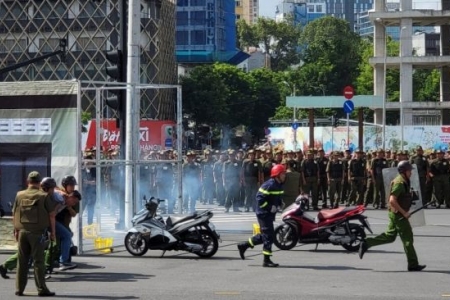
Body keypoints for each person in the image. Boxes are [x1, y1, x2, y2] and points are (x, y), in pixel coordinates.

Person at [358, 161, 426, 272]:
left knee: (390, 236)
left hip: (395, 213)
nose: (411, 173)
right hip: (398, 214)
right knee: (407, 238)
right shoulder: (400, 183)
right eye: (409, 171)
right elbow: (392, 200)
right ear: (403, 171)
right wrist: (404, 213)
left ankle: (366, 243)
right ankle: (413, 264)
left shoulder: (404, 181)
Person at [13, 171, 57, 296]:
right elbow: (52, 215)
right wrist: (53, 233)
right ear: (39, 183)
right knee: (39, 262)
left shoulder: (19, 195)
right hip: (37, 233)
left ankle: (19, 289)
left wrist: (16, 230)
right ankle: (42, 289)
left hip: (22, 232)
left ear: (28, 181)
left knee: (22, 261)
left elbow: (14, 213)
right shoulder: (43, 196)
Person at [236, 164, 286, 267]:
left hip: (269, 213)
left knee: (265, 235)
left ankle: (244, 245)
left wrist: (280, 203)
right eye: (283, 173)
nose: (284, 175)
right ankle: (266, 261)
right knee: (269, 236)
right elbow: (259, 199)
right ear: (277, 174)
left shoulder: (279, 184)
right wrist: (269, 207)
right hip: (263, 213)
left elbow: (277, 197)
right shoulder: (269, 184)